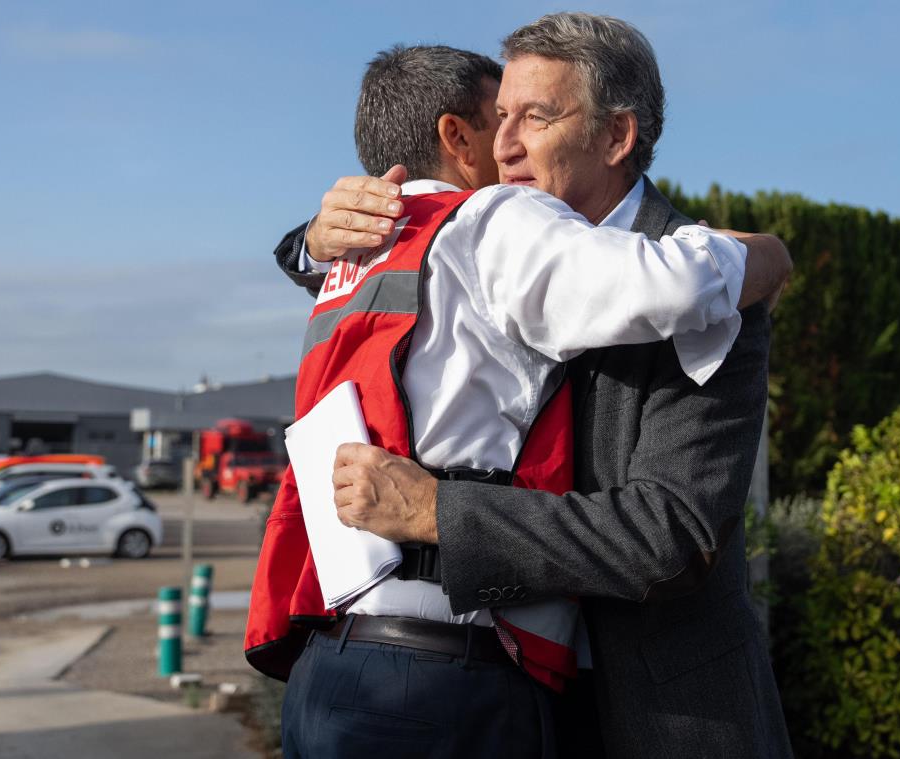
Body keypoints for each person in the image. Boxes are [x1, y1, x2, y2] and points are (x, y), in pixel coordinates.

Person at [271, 14, 795, 759]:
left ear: (616, 136)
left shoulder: (710, 289)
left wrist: (437, 512)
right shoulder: (484, 246)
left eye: (537, 117)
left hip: (656, 722)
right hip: (499, 701)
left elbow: (671, 537)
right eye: (501, 116)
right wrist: (311, 241)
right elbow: (397, 280)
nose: (504, 145)